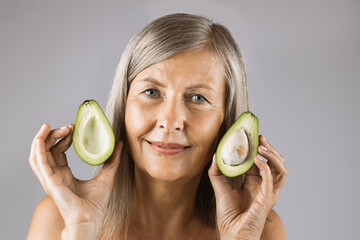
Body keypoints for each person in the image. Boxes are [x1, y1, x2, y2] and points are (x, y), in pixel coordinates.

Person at [27, 13, 287, 240]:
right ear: (124, 106)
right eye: (151, 92)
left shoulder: (259, 230)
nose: (170, 121)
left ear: (226, 122)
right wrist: (81, 230)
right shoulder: (59, 220)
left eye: (198, 98)